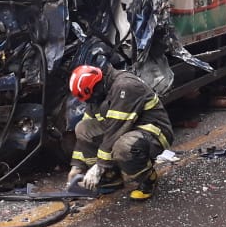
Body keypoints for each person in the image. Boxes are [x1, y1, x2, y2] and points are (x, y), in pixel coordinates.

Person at [67, 64, 174, 201]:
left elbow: (115, 130)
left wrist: (99, 167)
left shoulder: (125, 86)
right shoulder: (97, 95)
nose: (91, 102)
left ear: (97, 85)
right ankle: (110, 178)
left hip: (154, 132)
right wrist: (77, 166)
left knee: (122, 147)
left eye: (91, 97)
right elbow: (85, 131)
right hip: (126, 129)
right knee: (83, 128)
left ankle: (148, 179)